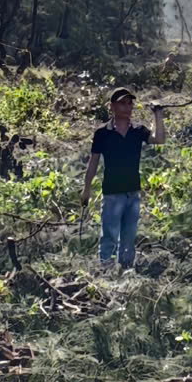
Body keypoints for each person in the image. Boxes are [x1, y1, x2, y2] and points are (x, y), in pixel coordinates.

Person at [80, 86, 162, 273]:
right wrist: (86, 189)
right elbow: (93, 163)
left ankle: (126, 273)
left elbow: (159, 140)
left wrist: (158, 115)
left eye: (130, 103)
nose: (127, 107)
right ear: (112, 106)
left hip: (132, 193)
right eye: (122, 103)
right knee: (109, 235)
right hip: (112, 193)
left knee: (128, 237)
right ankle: (105, 272)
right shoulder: (102, 133)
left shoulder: (138, 131)